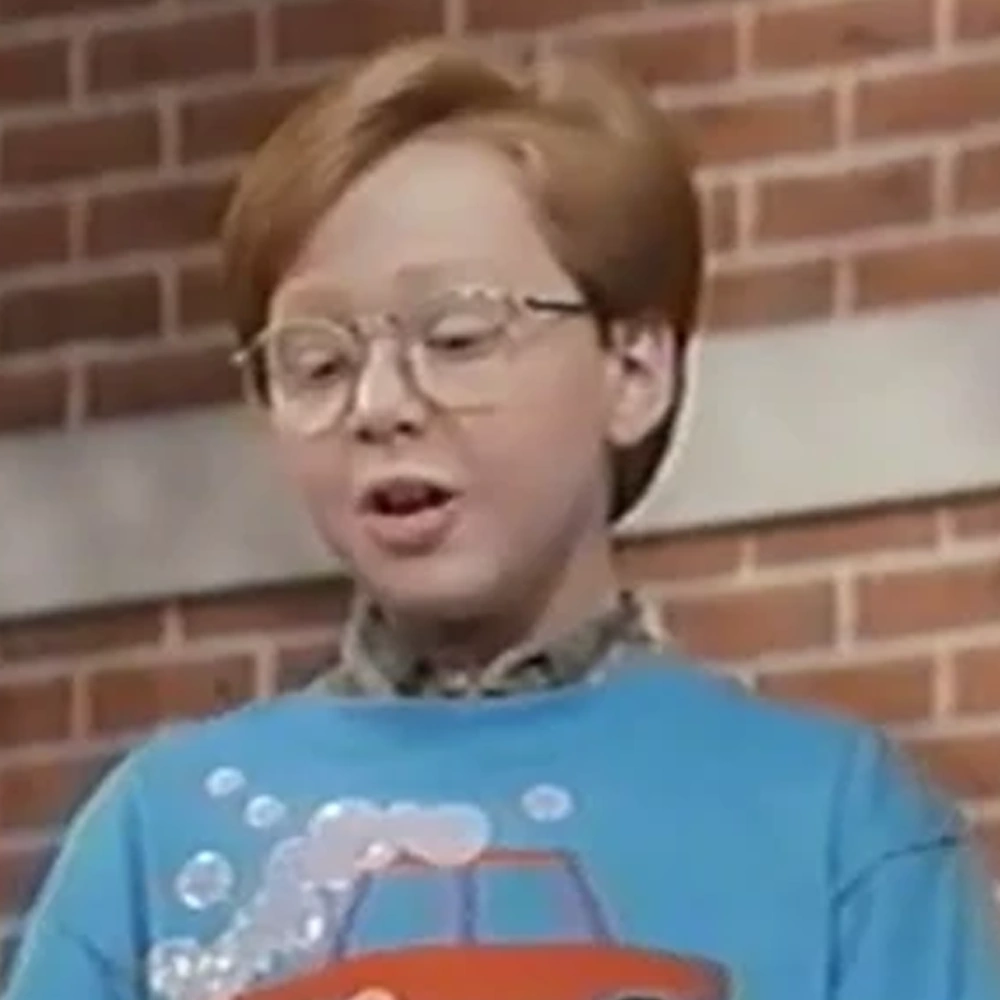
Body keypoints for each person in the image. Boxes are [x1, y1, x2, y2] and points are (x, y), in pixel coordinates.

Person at [4, 38, 999, 1000]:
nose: (379, 403)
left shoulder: (833, 824)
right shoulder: (157, 833)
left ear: (633, 370)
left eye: (457, 336)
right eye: (317, 361)